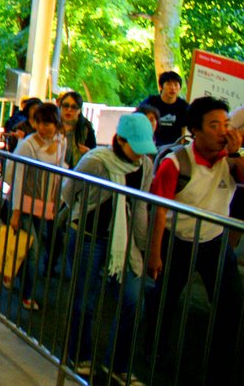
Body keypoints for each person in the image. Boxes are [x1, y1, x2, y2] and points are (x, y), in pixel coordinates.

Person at [147, 96, 244, 383]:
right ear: (195, 131)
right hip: (178, 240)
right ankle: (155, 355)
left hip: (215, 242)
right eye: (213, 125)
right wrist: (155, 254)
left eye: (225, 124)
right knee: (164, 300)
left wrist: (236, 152)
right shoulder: (175, 164)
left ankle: (219, 369)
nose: (222, 131)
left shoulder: (230, 159)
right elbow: (159, 210)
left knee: (230, 307)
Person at [62, 113, 156, 384]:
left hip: (123, 241)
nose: (139, 155)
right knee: (85, 300)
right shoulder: (95, 161)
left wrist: (144, 249)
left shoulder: (145, 166)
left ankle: (117, 363)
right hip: (88, 236)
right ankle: (78, 354)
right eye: (135, 148)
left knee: (132, 299)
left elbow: (140, 208)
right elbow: (70, 192)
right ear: (119, 140)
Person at [9, 102, 67, 310]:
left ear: (56, 124)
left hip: (45, 205)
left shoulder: (62, 143)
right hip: (24, 204)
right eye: (39, 123)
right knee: (32, 251)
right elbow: (19, 176)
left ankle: (12, 271)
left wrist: (57, 203)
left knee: (33, 246)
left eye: (47, 123)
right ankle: (27, 294)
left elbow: (60, 174)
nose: (42, 128)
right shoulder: (27, 145)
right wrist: (15, 212)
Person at [142, 71, 189, 147]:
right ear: (161, 86)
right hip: (152, 146)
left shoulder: (183, 106)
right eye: (169, 84)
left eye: (176, 84)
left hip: (175, 148)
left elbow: (186, 129)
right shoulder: (151, 102)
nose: (172, 88)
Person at [58, 91, 97, 168]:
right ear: (60, 106)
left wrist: (87, 153)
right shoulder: (52, 123)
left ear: (79, 110)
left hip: (75, 172)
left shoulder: (86, 128)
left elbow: (94, 154)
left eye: (74, 107)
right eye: (66, 105)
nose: (69, 110)